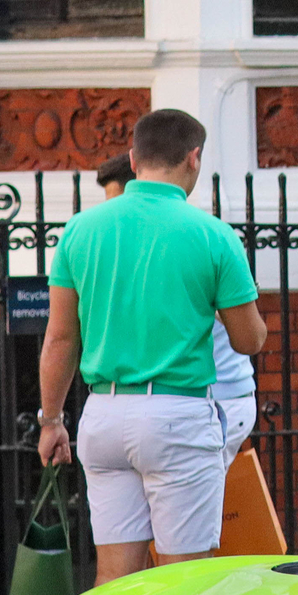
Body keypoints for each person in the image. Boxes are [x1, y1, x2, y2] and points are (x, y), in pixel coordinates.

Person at [41, 113, 266, 581]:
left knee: (114, 580)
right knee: (181, 583)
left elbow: (60, 340)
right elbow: (248, 340)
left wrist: (50, 421)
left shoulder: (81, 230)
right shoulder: (213, 235)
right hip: (176, 414)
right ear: (194, 157)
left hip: (102, 413)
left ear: (132, 158)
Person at [92, 153, 257, 463]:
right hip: (174, 405)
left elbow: (245, 330)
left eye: (119, 201)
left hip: (217, 398)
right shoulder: (133, 247)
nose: (115, 212)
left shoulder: (191, 238)